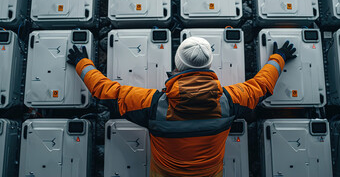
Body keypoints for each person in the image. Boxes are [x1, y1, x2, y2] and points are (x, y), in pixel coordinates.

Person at [67, 37, 296, 177]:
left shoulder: (153, 105)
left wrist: (82, 63)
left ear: (177, 64)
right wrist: (279, 57)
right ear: (209, 66)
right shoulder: (231, 101)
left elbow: (106, 91)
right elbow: (263, 85)